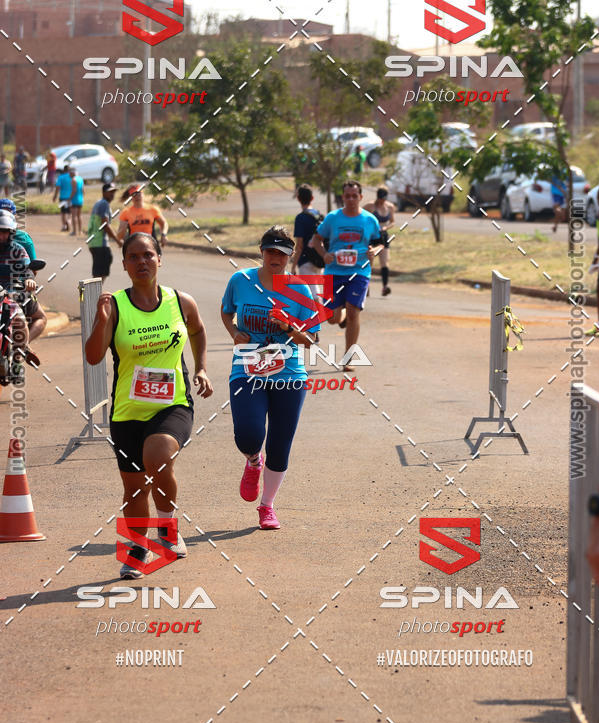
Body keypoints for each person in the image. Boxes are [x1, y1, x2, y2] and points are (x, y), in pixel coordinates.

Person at [85, 232, 213, 579]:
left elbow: (198, 331)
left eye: (148, 255)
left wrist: (201, 368)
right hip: (127, 412)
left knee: (157, 458)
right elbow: (93, 357)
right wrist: (101, 320)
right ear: (124, 265)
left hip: (173, 404)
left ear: (160, 259)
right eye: (134, 257)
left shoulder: (180, 301)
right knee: (134, 488)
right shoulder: (115, 306)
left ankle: (167, 528)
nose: (142, 261)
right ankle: (137, 549)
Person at [221, 226, 318, 531]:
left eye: (282, 254)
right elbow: (226, 312)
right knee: (248, 436)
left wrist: (288, 326)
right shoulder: (240, 281)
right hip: (247, 369)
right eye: (271, 251)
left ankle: (267, 506)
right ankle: (253, 461)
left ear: (291, 256)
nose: (276, 258)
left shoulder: (300, 290)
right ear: (261, 251)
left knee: (279, 444)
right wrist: (234, 332)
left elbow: (311, 340)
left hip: (288, 374)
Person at [312, 181, 380, 370]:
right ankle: (340, 315)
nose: (351, 199)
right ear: (343, 197)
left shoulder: (369, 220)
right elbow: (316, 240)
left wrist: (374, 251)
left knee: (353, 312)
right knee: (332, 318)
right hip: (334, 272)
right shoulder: (333, 218)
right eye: (347, 196)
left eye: (354, 196)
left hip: (359, 271)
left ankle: (348, 358)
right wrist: (324, 254)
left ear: (361, 197)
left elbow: (380, 243)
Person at [290, 183, 324, 310]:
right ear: (312, 198)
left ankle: (321, 316)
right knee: (314, 292)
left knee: (314, 296)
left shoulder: (301, 218)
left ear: (298, 199)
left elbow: (299, 245)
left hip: (306, 261)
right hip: (320, 259)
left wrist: (293, 265)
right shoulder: (320, 215)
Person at [88, 182, 122, 281]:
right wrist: (117, 240)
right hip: (100, 243)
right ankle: (94, 290)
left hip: (94, 242)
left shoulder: (98, 203)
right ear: (103, 192)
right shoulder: (104, 204)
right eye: (110, 192)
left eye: (113, 192)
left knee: (99, 272)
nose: (112, 194)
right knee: (100, 273)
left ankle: (95, 290)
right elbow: (105, 225)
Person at [365, 186, 395, 296]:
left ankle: (385, 287)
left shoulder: (390, 207)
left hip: (383, 235)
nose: (381, 201)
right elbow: (360, 216)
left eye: (383, 199)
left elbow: (392, 222)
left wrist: (386, 227)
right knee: (369, 261)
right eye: (379, 198)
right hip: (371, 236)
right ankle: (366, 286)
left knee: (385, 262)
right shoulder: (370, 206)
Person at [52, 164, 72, 232]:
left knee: (63, 212)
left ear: (64, 170)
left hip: (63, 197)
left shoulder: (60, 177)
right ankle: (69, 221)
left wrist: (55, 196)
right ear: (69, 170)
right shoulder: (72, 177)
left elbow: (58, 187)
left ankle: (64, 225)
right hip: (71, 197)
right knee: (70, 212)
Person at [69, 165, 84, 236]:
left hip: (75, 199)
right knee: (79, 215)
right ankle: (80, 231)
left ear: (72, 173)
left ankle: (74, 231)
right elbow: (83, 190)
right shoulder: (80, 179)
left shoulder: (73, 180)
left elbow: (74, 190)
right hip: (80, 199)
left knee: (74, 216)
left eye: (69, 172)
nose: (69, 174)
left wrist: (69, 198)